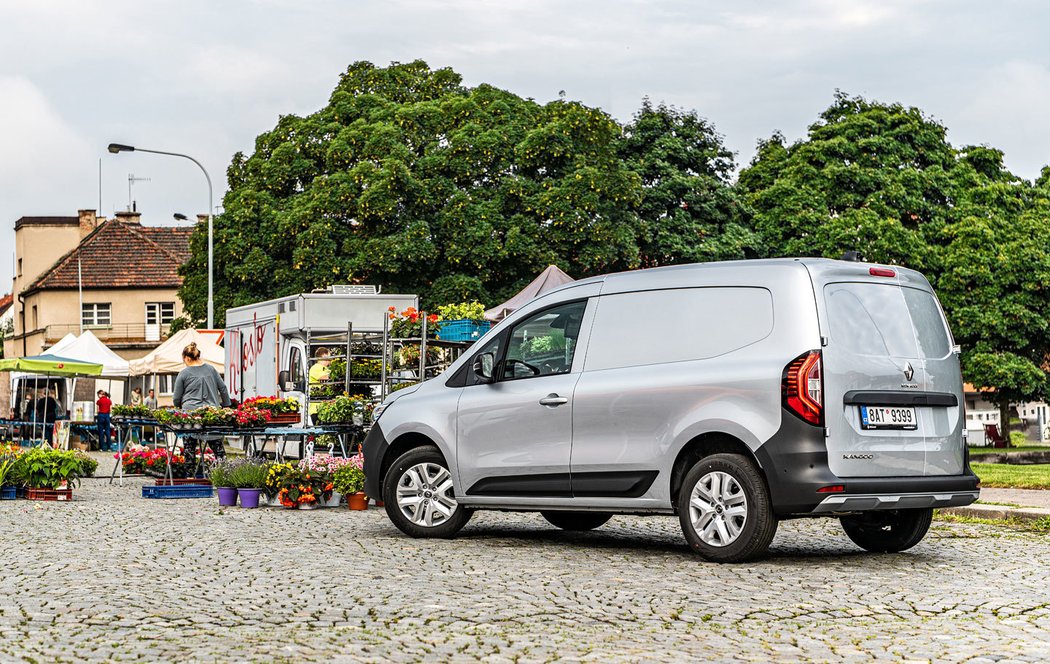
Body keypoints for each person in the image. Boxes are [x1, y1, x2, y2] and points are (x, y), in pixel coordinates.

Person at [173, 342, 231, 458]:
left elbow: (176, 397)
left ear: (188, 358)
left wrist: (178, 408)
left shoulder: (183, 373)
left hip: (190, 415)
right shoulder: (211, 369)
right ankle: (225, 472)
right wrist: (227, 406)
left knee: (190, 448)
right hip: (211, 413)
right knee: (217, 447)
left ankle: (190, 474)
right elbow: (223, 388)